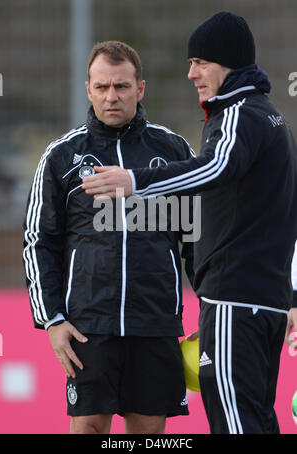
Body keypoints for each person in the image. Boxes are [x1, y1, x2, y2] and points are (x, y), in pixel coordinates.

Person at [82, 13, 297, 434]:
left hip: (237, 300)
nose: (191, 73)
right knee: (251, 418)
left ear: (227, 62)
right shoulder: (269, 117)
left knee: (237, 423)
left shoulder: (240, 112)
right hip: (255, 300)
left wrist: (135, 182)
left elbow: (213, 167)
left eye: (199, 61)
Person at [22, 41, 196, 434]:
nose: (111, 96)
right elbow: (38, 241)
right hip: (89, 325)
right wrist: (52, 320)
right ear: (88, 90)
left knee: (148, 432)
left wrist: (210, 307)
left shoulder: (174, 152)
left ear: (141, 89)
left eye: (121, 86)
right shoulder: (61, 157)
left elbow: (198, 240)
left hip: (155, 322)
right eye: (101, 87)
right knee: (88, 427)